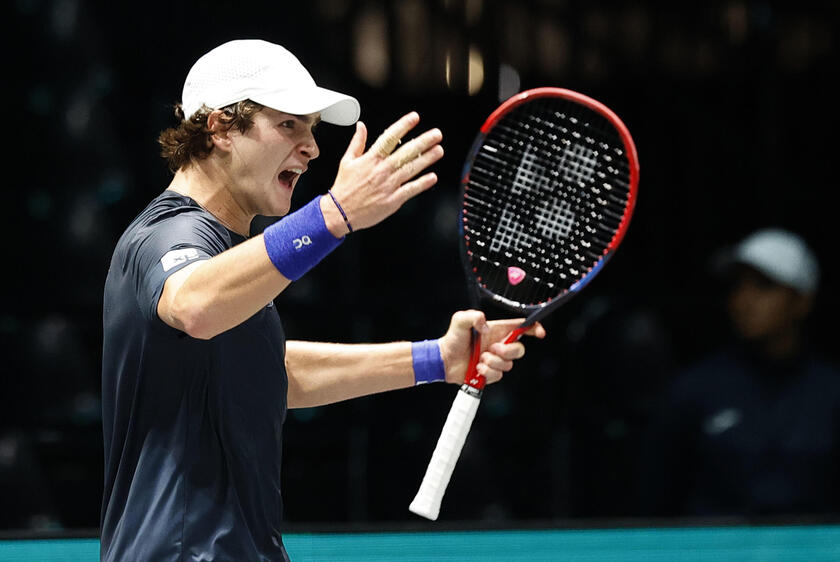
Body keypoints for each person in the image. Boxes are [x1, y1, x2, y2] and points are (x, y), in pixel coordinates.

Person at [100, 39, 545, 561]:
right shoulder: (168, 233)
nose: (312, 148)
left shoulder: (229, 257)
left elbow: (274, 373)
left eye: (311, 129)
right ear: (219, 127)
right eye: (290, 124)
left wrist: (437, 359)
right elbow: (194, 305)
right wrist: (333, 215)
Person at [640, 228, 840, 518]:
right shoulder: (693, 390)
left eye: (764, 285)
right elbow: (656, 502)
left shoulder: (832, 394)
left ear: (801, 301)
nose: (744, 300)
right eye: (738, 286)